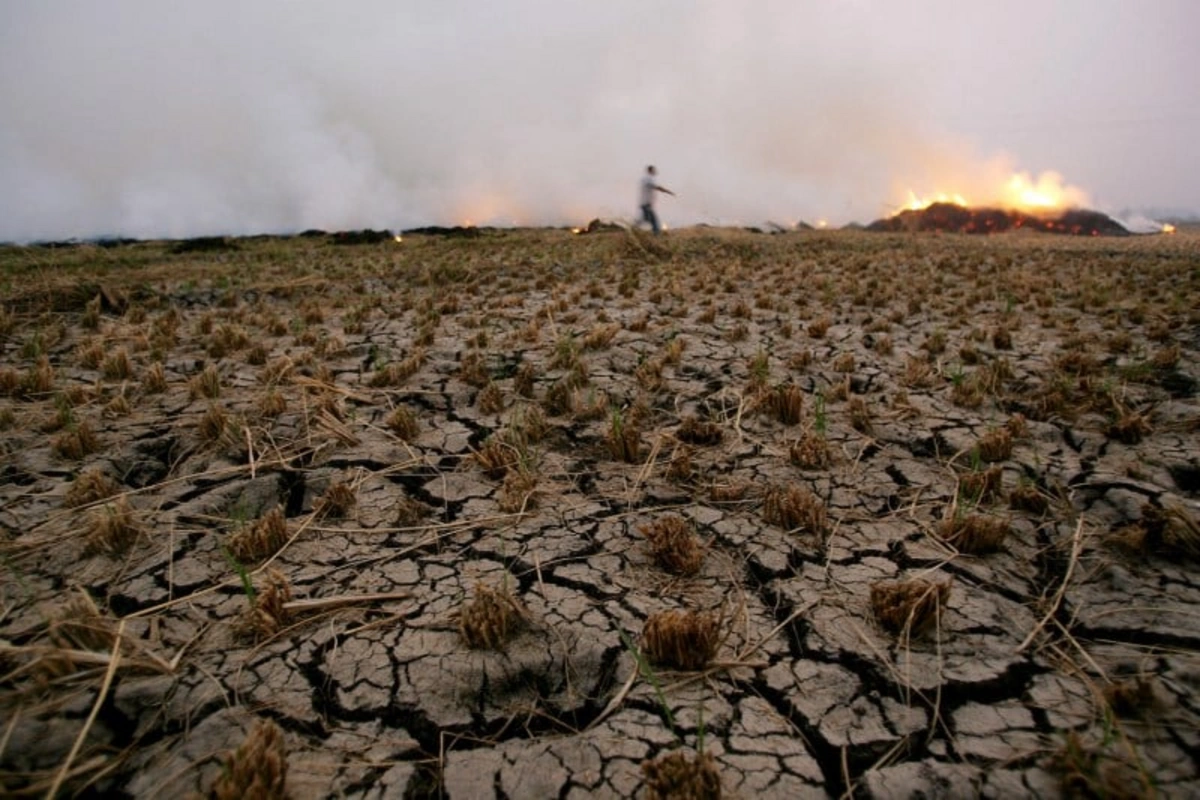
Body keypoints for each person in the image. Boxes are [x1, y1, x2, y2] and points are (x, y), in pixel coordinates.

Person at [638, 165, 675, 235]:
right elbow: (657, 187)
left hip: (645, 204)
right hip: (646, 204)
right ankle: (657, 235)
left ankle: (634, 228)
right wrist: (668, 191)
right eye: (653, 170)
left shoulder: (646, 179)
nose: (655, 171)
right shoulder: (648, 178)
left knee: (646, 220)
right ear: (650, 170)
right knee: (654, 221)